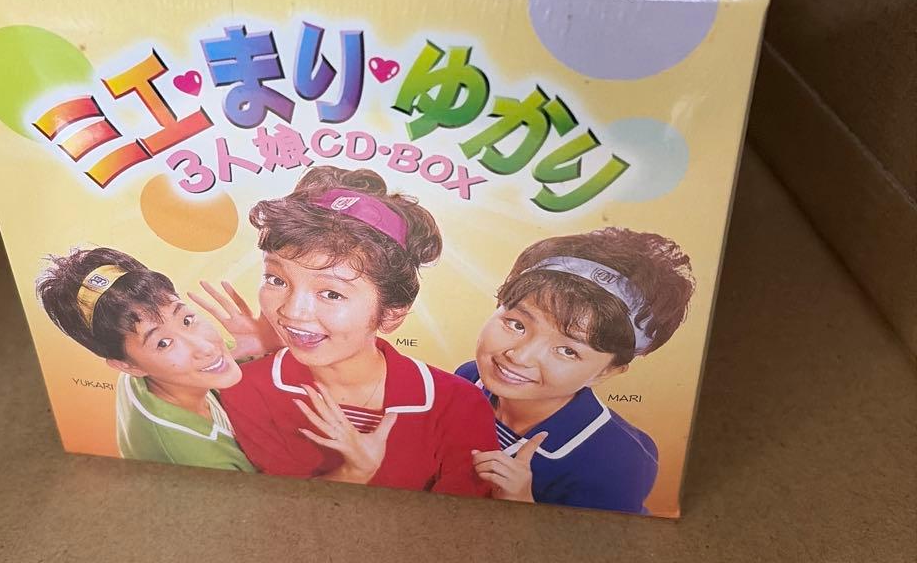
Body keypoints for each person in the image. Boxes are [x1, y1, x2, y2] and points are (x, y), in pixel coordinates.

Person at [205, 166, 498, 497]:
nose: (292, 311)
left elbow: (465, 521)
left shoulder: (457, 405)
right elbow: (271, 510)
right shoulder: (247, 388)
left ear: (391, 313)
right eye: (276, 279)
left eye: (331, 293)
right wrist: (354, 471)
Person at [460, 228, 695, 514]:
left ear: (605, 372)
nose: (519, 357)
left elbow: (603, 541)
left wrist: (521, 502)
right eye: (517, 324)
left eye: (568, 351)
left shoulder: (618, 460)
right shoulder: (469, 379)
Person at [36, 246, 258, 472]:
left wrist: (261, 344)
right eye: (163, 343)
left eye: (186, 320)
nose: (205, 347)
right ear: (127, 366)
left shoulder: (144, 368)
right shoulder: (199, 457)